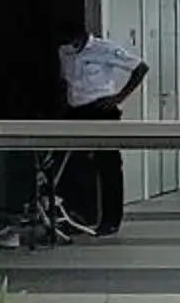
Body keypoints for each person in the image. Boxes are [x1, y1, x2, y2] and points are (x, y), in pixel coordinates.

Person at [56, 29, 148, 237]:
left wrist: (118, 98)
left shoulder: (103, 48)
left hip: (100, 109)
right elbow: (65, 81)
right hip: (76, 110)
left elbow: (140, 67)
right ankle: (78, 214)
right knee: (74, 164)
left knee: (108, 164)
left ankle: (110, 220)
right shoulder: (64, 51)